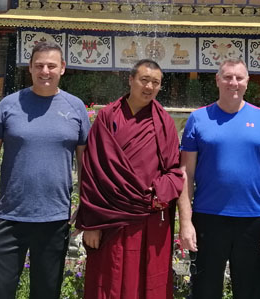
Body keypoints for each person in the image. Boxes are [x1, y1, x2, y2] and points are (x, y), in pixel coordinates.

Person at [0, 41, 90, 299]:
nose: (45, 71)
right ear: (29, 67)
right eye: (39, 65)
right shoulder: (9, 105)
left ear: (62, 68)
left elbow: (86, 164)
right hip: (8, 217)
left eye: (51, 66)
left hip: (54, 218)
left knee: (46, 293)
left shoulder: (75, 108)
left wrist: (84, 202)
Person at [177, 58, 260, 299]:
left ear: (247, 82)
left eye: (239, 77)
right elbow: (186, 173)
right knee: (205, 292)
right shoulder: (199, 118)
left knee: (250, 292)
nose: (233, 83)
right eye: (227, 77)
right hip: (208, 219)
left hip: (252, 221)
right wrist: (185, 222)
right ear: (217, 80)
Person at [76, 59, 184, 299]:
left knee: (146, 282)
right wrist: (91, 224)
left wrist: (160, 192)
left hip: (148, 216)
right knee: (108, 280)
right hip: (109, 218)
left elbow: (174, 171)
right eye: (144, 80)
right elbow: (92, 172)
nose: (149, 87)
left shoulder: (164, 122)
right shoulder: (107, 117)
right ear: (131, 80)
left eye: (155, 83)